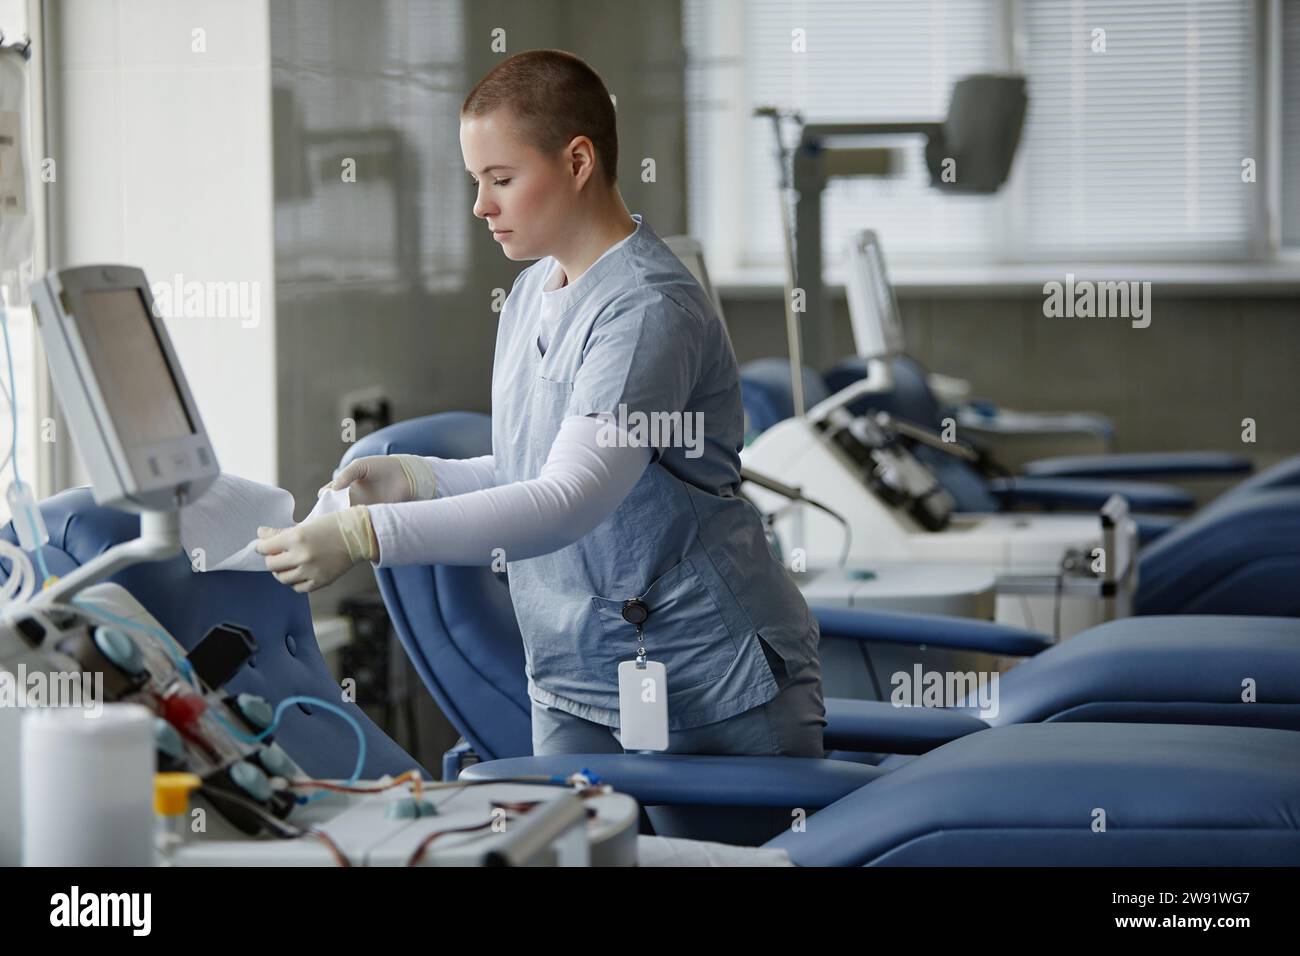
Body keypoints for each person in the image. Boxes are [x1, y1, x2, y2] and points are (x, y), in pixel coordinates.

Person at [256, 49, 825, 759]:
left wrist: (363, 537)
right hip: (571, 676)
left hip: (706, 678)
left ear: (578, 162)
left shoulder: (646, 310)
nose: (480, 206)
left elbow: (568, 500)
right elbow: (538, 466)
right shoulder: (532, 291)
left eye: (501, 179)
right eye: (476, 181)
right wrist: (415, 480)